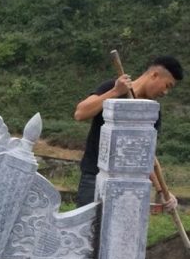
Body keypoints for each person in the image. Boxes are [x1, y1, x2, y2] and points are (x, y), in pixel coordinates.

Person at [74, 55, 184, 208]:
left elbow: (147, 155)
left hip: (128, 186)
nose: (166, 92)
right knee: (88, 224)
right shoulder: (112, 87)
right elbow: (80, 113)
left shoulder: (152, 112)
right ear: (154, 75)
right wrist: (115, 92)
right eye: (167, 85)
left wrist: (162, 191)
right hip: (93, 177)